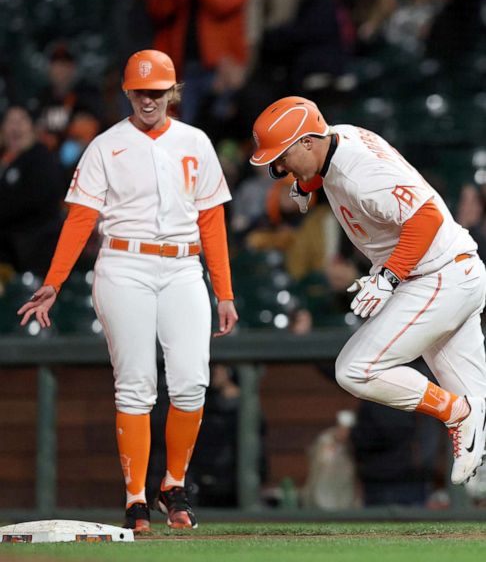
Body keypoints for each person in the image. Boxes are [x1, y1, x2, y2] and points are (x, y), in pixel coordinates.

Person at [18, 49, 238, 532]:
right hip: (124, 263)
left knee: (191, 380)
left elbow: (212, 221)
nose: (149, 99)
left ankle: (172, 485)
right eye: (140, 91)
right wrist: (53, 283)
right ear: (127, 91)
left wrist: (224, 290)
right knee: (136, 384)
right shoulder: (104, 146)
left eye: (158, 91)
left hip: (183, 266)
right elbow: (80, 220)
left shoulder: (195, 142)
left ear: (172, 92)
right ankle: (135, 498)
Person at [249, 96, 486, 487]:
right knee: (483, 410)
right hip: (451, 271)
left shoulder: (362, 172)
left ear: (308, 141)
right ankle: (466, 412)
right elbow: (324, 166)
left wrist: (388, 276)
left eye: (283, 156)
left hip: (436, 276)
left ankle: (456, 413)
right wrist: (307, 183)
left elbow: (425, 217)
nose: (278, 167)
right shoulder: (336, 139)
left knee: (356, 369)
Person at [0, 105, 65, 278]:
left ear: (33, 127)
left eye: (20, 121)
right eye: (10, 122)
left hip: (36, 255)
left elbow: (34, 201)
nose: (15, 127)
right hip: (14, 253)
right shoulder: (10, 162)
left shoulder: (41, 158)